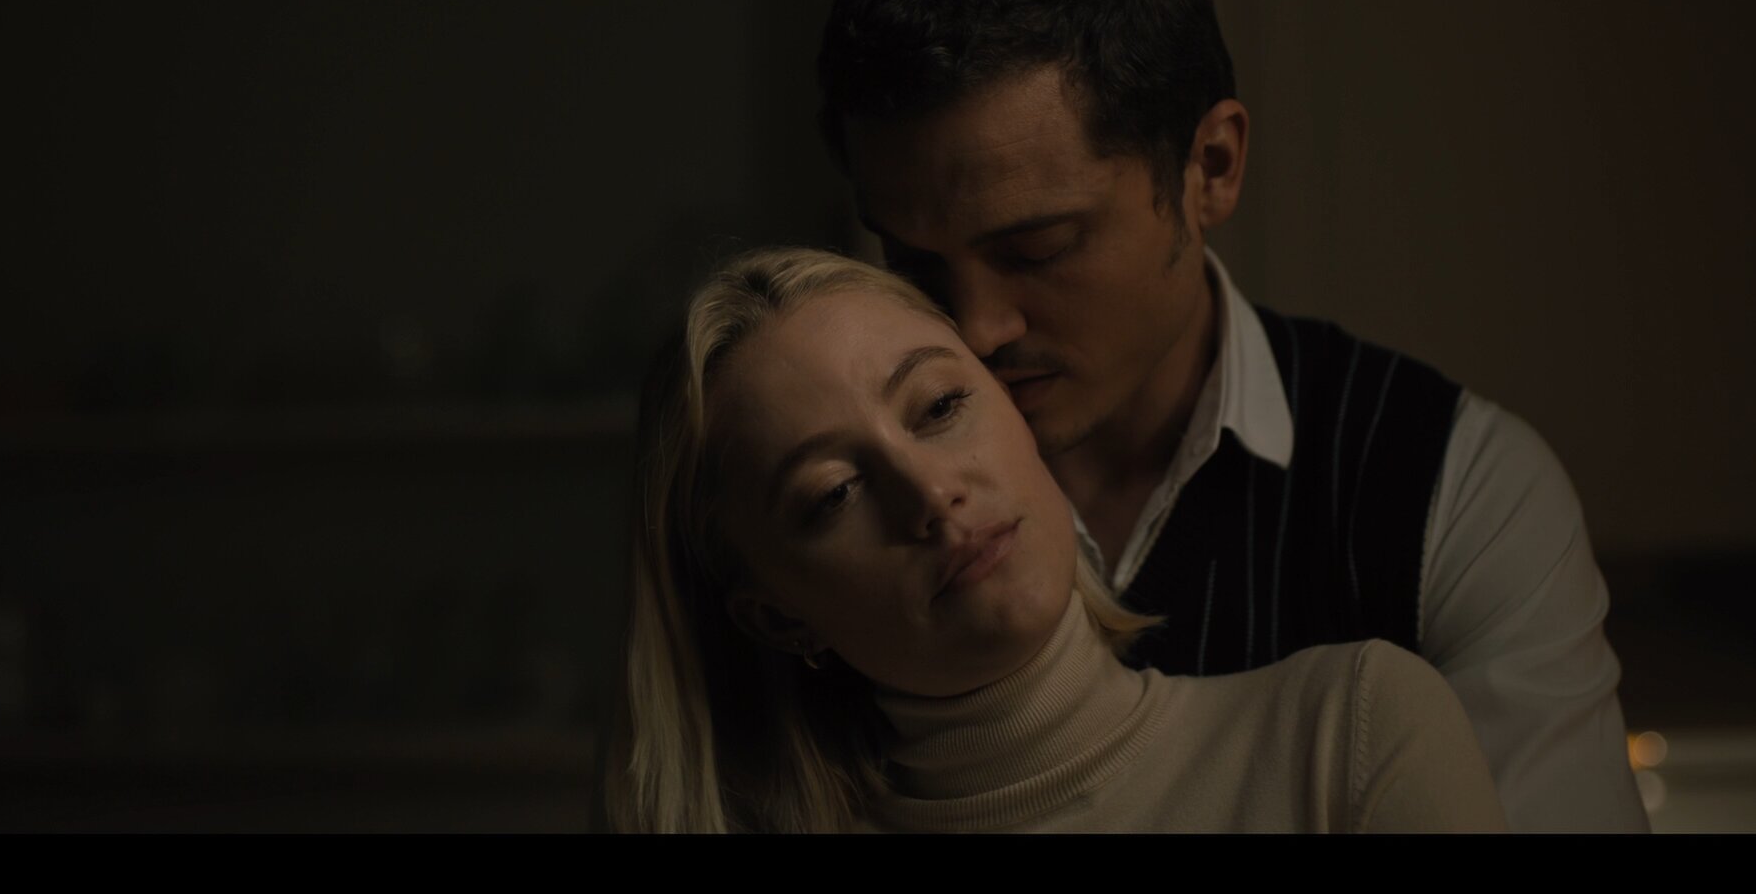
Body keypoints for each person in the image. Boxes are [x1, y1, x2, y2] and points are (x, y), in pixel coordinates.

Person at [814, 0, 1647, 832]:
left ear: (1210, 166)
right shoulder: (835, 521)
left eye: (1036, 250)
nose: (974, 329)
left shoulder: (1451, 492)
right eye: (913, 263)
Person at [605, 246, 1505, 833]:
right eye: (835, 493)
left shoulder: (1348, 733)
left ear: (1015, 410)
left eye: (941, 405)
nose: (931, 493)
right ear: (778, 618)